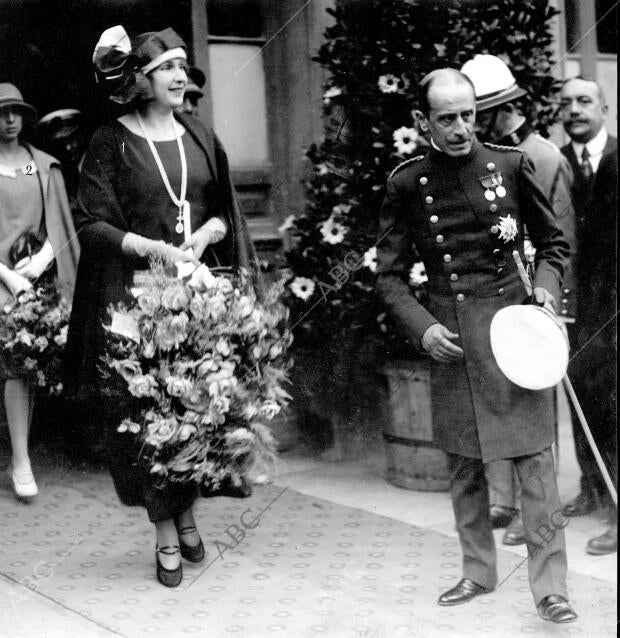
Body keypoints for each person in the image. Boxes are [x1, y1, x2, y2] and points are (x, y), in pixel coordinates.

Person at [376, 68, 577, 623]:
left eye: (468, 114)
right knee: (465, 463)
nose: (462, 127)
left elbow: (555, 244)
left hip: (516, 331)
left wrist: (545, 291)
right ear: (423, 121)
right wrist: (422, 327)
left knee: (535, 460)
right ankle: (477, 572)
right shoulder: (406, 182)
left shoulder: (511, 165)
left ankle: (551, 588)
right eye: (447, 118)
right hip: (454, 337)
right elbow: (388, 276)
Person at [64, 26, 260, 587]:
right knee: (149, 420)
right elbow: (90, 223)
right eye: (168, 68)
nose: (180, 77)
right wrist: (148, 246)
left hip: (196, 296)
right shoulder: (109, 141)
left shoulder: (199, 134)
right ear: (142, 80)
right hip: (135, 302)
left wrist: (204, 236)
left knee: (192, 412)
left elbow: (224, 208)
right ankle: (166, 532)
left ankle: (188, 511)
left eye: (183, 67)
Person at [461, 54, 576, 546]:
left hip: (538, 297)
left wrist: (554, 302)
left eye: (478, 113)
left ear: (503, 110)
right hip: (496, 295)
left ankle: (538, 511)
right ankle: (502, 500)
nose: (470, 125)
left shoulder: (543, 156)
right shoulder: (484, 161)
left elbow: (562, 234)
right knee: (496, 392)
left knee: (534, 397)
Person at [0, 83, 79, 500]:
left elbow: (52, 210)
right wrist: (6, 276)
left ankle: (21, 459)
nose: (9, 120)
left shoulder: (33, 164)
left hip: (33, 280)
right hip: (2, 281)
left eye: (15, 112)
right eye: (1, 113)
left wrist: (47, 254)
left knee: (20, 366)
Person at [559, 76, 617, 555]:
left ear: (604, 107)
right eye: (566, 104)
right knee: (580, 391)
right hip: (577, 305)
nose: (575, 110)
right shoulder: (555, 162)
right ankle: (591, 488)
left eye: (584, 101)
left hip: (615, 302)